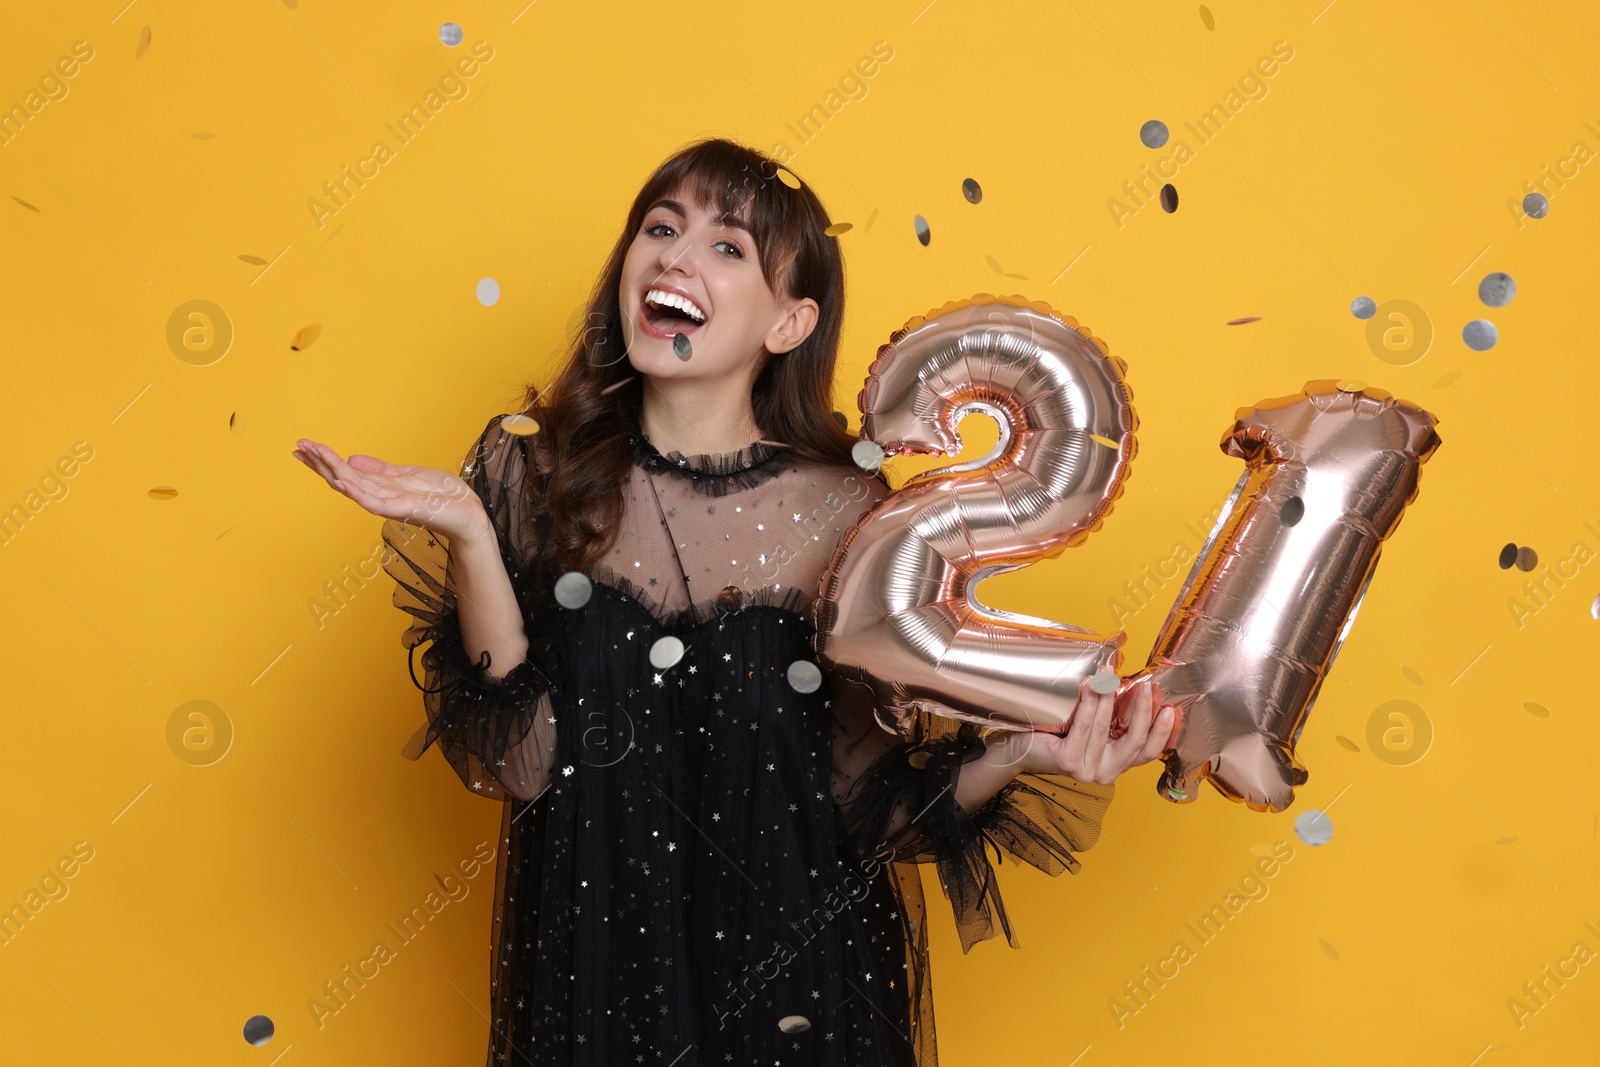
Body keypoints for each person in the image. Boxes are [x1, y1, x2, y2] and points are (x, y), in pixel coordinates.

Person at [291, 137, 1177, 1066]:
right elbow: (518, 762)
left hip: (800, 996)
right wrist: (470, 530)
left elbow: (864, 807)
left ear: (789, 324)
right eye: (661, 227)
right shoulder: (531, 469)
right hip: (595, 999)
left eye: (728, 246)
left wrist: (1026, 750)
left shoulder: (850, 512)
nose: (675, 255)